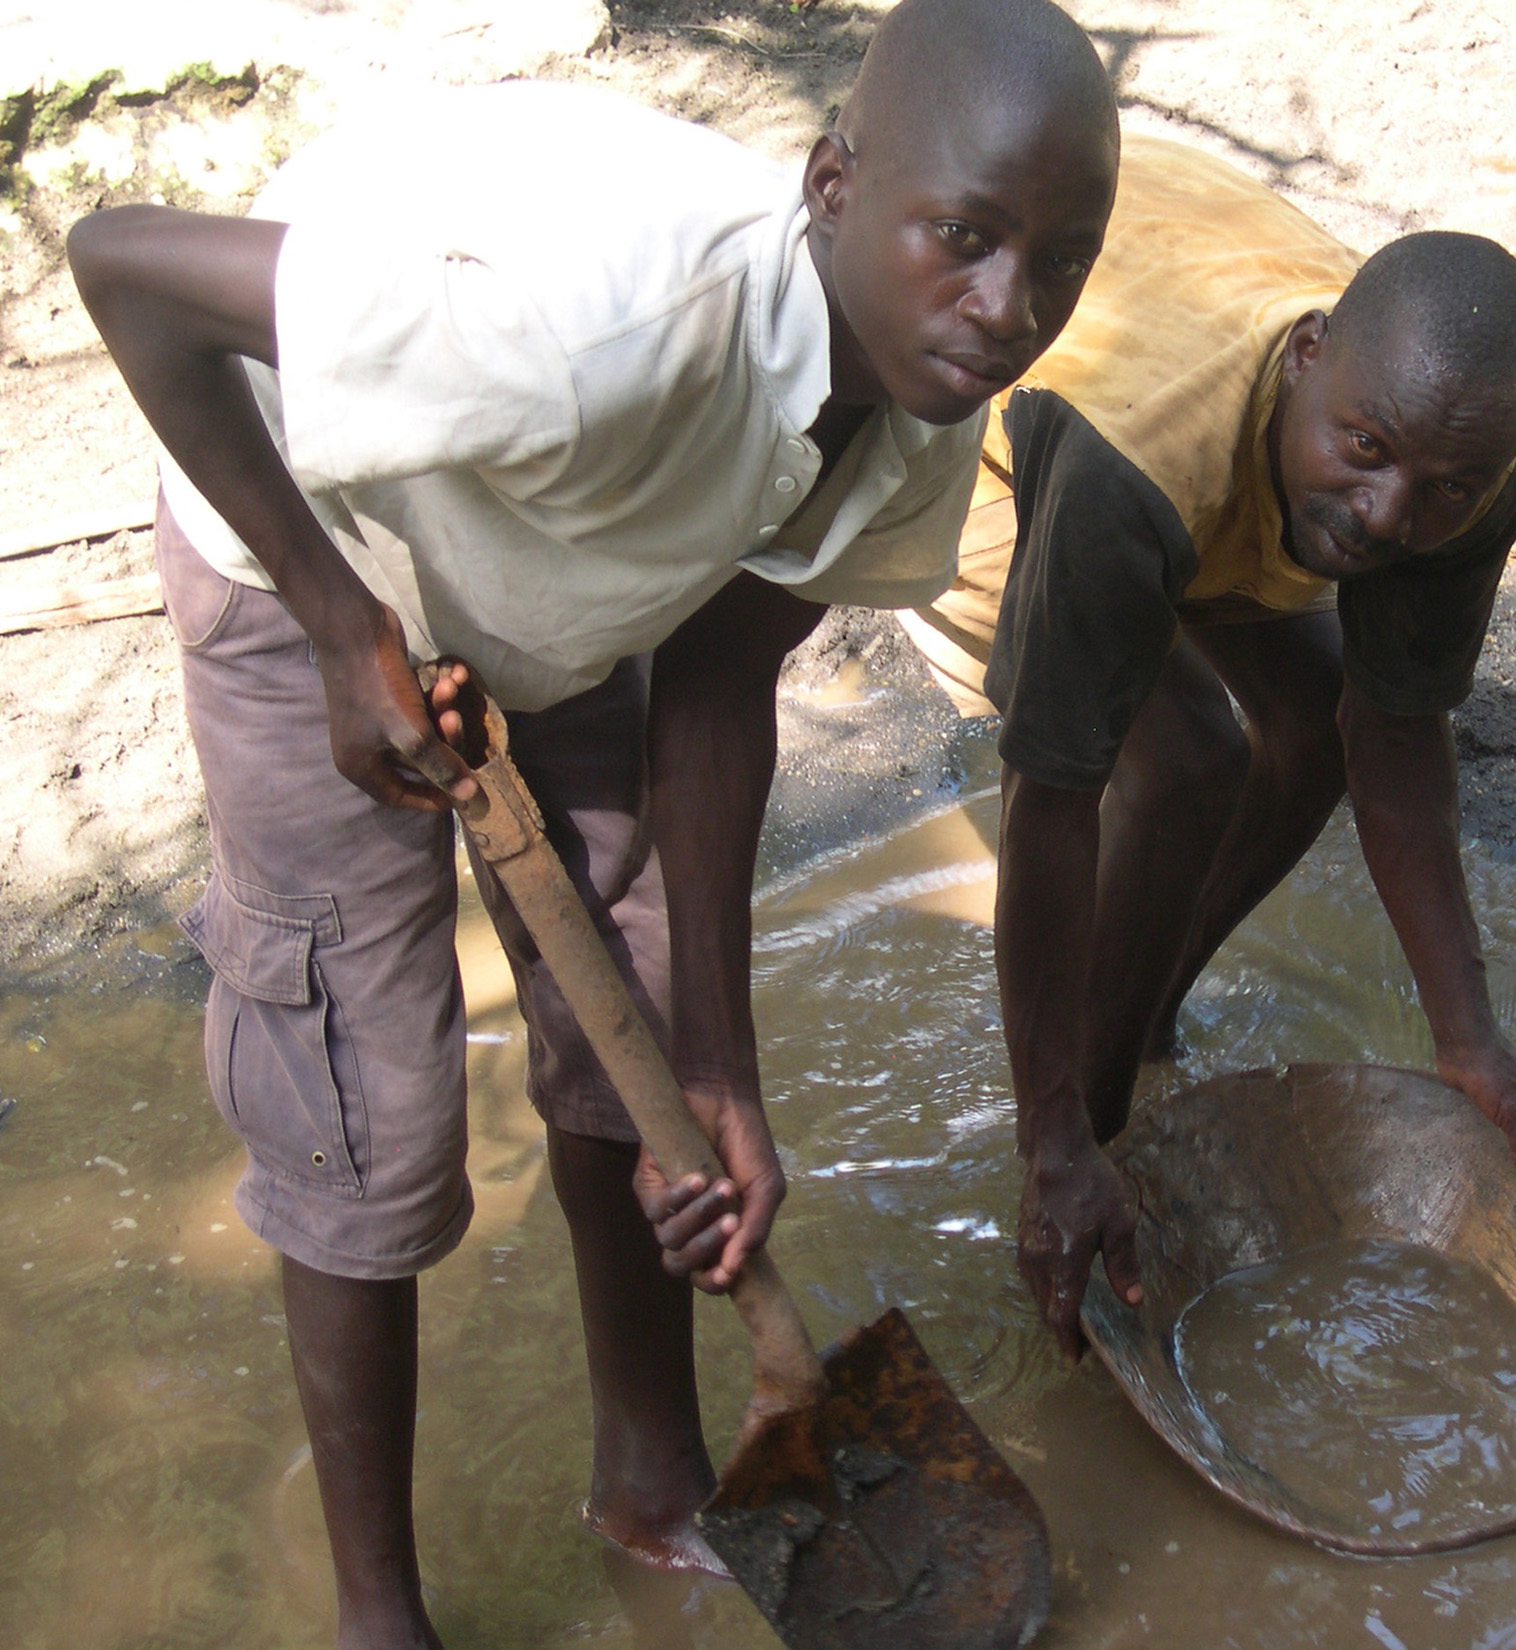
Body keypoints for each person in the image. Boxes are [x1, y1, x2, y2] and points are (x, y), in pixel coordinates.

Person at [65, 2, 1118, 1643]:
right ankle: (375, 1613)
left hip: (558, 555)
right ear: (834, 188)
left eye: (1060, 263)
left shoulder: (922, 398)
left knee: (629, 1011)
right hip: (306, 545)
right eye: (968, 240)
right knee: (366, 1094)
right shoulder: (598, 333)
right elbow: (124, 264)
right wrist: (352, 633)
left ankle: (654, 1471)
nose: (1010, 310)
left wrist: (720, 1062)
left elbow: (715, 681)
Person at [898, 137, 1516, 1360]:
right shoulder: (1135, 466)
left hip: (1213, 411)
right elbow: (1051, 800)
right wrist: (1057, 1142)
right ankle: (1090, 1141)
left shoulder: (1455, 452)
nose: (1388, 519)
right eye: (1365, 451)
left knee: (1310, 724)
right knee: (1187, 757)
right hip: (1000, 450)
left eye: (1444, 491)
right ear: (1309, 356)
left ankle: (1145, 1012)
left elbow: (1394, 733)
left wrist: (1467, 1038)